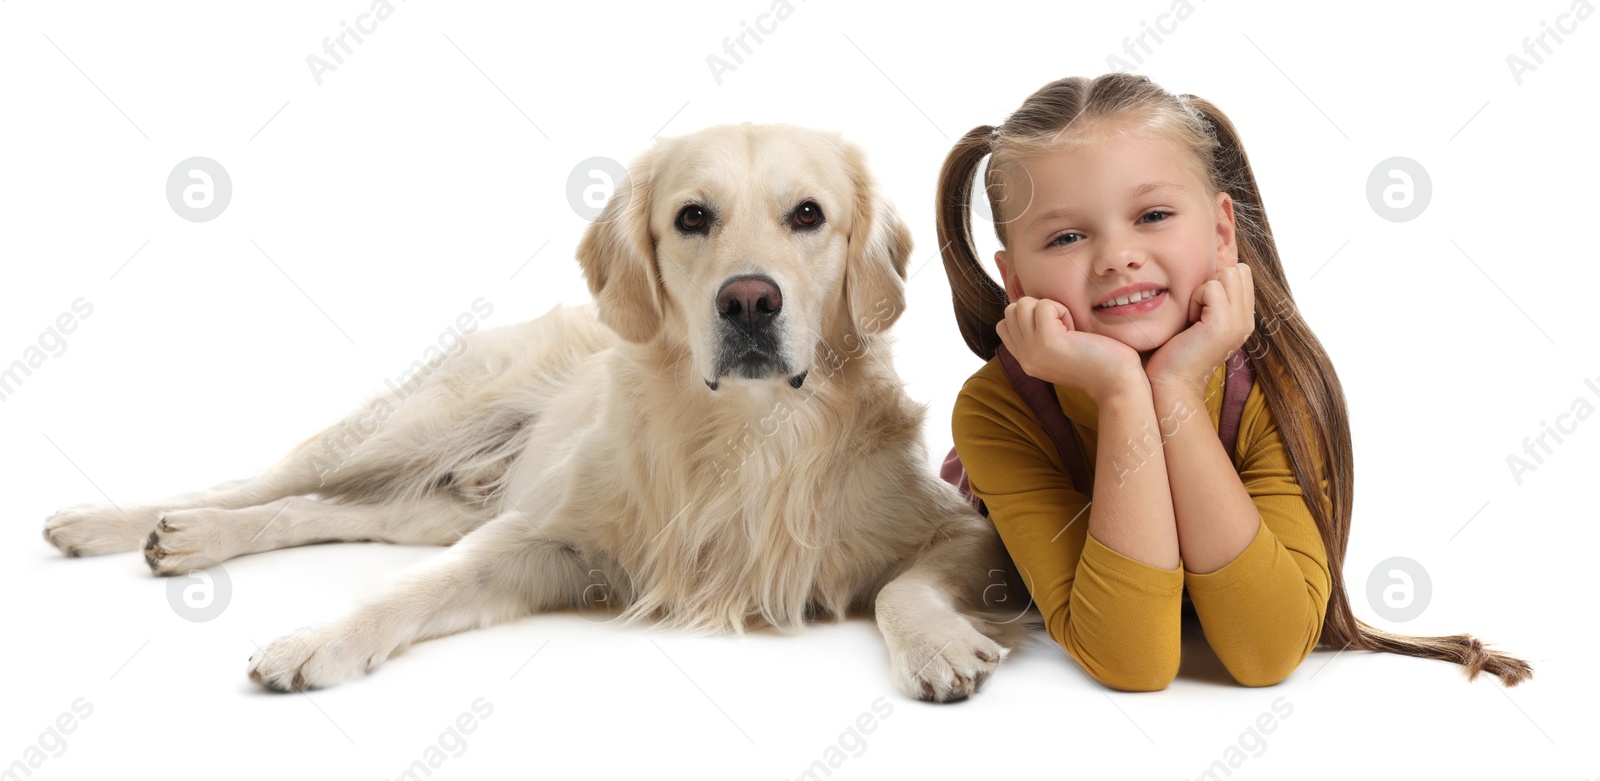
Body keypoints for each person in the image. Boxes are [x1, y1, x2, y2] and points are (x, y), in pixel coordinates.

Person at [937, 72, 1531, 691]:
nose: (1117, 256)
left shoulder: (1281, 385)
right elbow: (1133, 661)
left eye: (1153, 214)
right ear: (1016, 284)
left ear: (1223, 233)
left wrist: (1173, 391)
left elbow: (1266, 652)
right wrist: (1121, 392)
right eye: (1066, 236)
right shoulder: (996, 412)